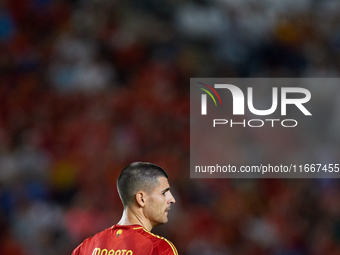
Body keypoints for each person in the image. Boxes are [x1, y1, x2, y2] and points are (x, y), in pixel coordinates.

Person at [72, 162, 178, 255]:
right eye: (164, 193)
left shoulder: (86, 247)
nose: (172, 199)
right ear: (141, 198)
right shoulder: (158, 248)